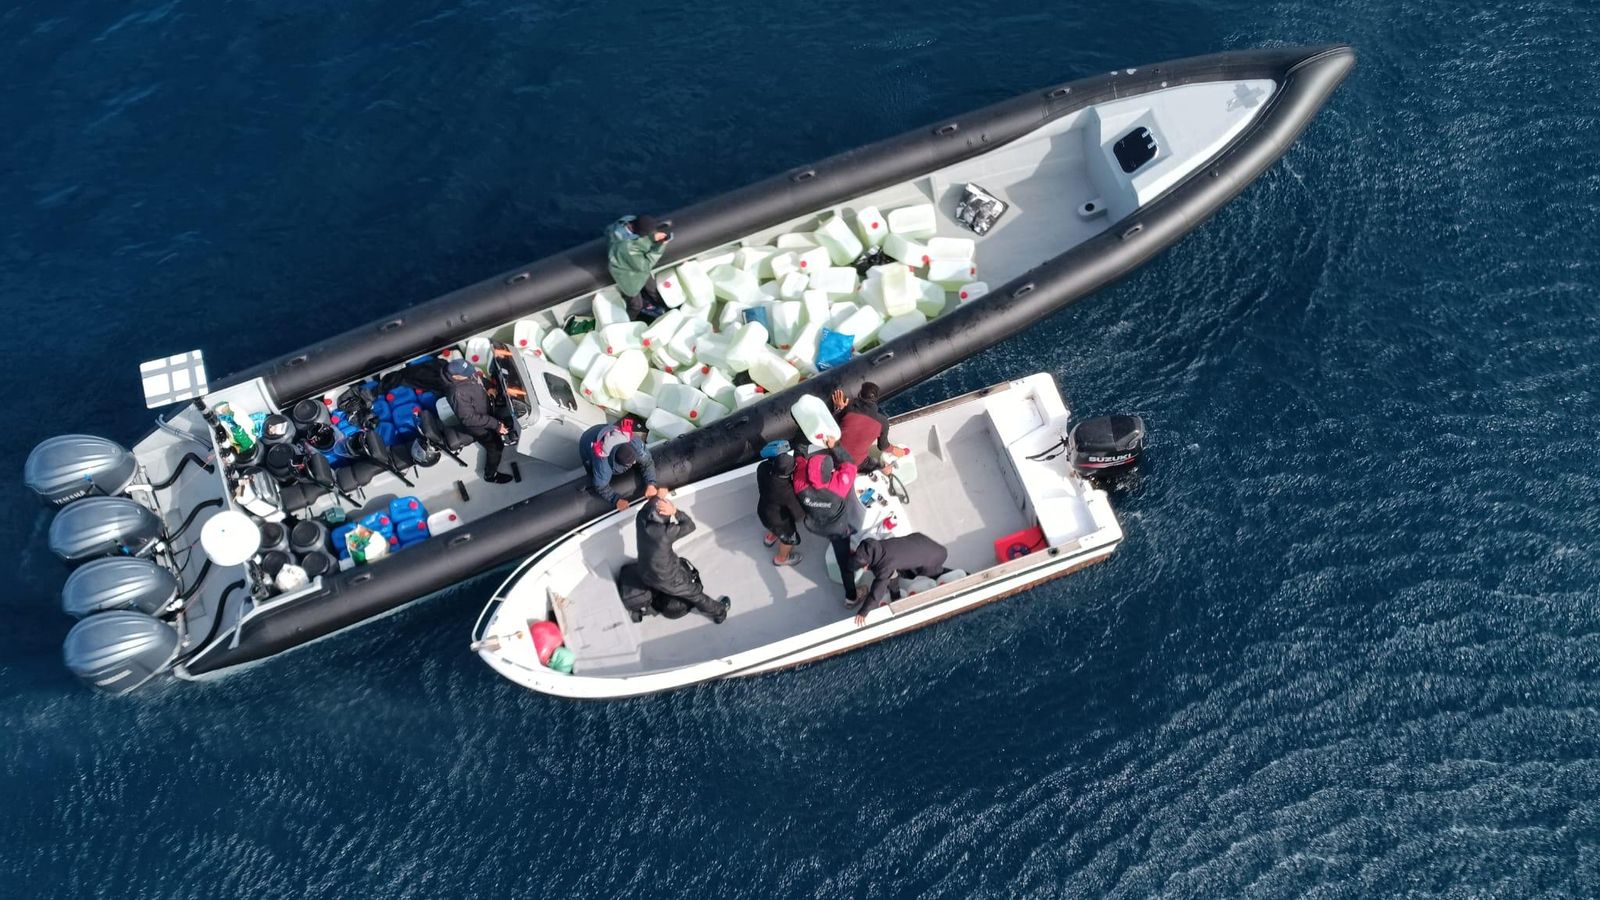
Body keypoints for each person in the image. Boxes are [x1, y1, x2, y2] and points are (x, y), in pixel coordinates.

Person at [633, 494, 730, 623]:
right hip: (667, 578)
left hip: (645, 573)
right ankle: (719, 612)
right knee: (695, 594)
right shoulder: (667, 532)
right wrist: (675, 511)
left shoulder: (640, 519)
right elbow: (690, 526)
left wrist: (656, 498)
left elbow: (646, 508)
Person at [792, 442, 860, 603]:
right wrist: (834, 445)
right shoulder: (838, 486)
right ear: (829, 473)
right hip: (838, 529)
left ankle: (851, 597)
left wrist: (802, 441)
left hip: (816, 525)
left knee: (843, 557)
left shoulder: (798, 481)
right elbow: (849, 464)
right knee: (845, 564)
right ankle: (851, 597)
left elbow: (799, 458)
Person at [850, 533, 950, 625]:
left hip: (933, 557)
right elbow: (881, 563)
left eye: (862, 567)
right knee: (892, 573)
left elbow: (877, 592)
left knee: (936, 573)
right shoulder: (878, 546)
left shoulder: (885, 566)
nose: (863, 570)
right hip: (921, 541)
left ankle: (956, 574)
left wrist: (863, 612)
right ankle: (895, 595)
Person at [443, 359, 512, 484]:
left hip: (488, 412)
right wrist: (495, 425)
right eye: (467, 373)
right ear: (456, 376)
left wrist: (489, 387)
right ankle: (490, 475)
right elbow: (469, 419)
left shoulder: (467, 374)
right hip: (479, 428)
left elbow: (478, 379)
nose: (471, 373)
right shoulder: (457, 393)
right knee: (496, 448)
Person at [605, 213, 672, 320]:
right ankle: (628, 321)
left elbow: (636, 241)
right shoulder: (627, 248)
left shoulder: (625, 222)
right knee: (636, 305)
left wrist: (651, 237)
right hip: (628, 275)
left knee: (653, 289)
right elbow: (646, 265)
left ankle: (663, 305)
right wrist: (660, 245)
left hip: (631, 263)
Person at [579, 420, 658, 510]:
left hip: (604, 430)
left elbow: (647, 462)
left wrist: (651, 483)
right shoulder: (603, 465)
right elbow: (601, 486)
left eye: (634, 460)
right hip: (587, 442)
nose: (634, 463)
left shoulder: (634, 443)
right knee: (593, 473)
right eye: (630, 463)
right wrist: (616, 500)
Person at [830, 382, 908, 473]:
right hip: (856, 463)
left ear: (859, 395)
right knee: (881, 466)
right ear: (876, 400)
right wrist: (897, 451)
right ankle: (885, 468)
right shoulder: (883, 422)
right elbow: (883, 447)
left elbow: (832, 425)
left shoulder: (847, 409)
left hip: (834, 456)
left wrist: (839, 409)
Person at [756, 444, 805, 567]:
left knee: (773, 524)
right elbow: (798, 516)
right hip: (780, 522)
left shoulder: (763, 468)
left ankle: (770, 538)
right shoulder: (787, 491)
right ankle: (781, 559)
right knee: (789, 539)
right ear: (789, 472)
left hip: (763, 510)